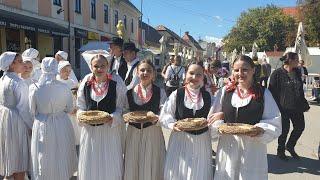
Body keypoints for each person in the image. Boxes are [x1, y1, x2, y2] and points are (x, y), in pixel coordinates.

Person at [208, 55, 281, 180]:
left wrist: (259, 129)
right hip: (228, 148)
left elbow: (275, 122)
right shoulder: (225, 91)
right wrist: (221, 118)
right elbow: (212, 120)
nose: (240, 73)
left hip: (252, 150)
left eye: (245, 69)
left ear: (253, 70)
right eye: (236, 70)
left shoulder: (263, 93)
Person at [160, 61, 213, 180]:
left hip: (201, 141)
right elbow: (165, 114)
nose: (194, 77)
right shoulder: (177, 94)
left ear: (203, 77)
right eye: (191, 73)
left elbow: (213, 117)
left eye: (198, 74)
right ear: (186, 74)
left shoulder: (208, 96)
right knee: (179, 172)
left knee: (198, 172)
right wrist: (173, 125)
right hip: (180, 139)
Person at [77, 54, 127, 180]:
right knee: (91, 162)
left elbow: (121, 108)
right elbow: (80, 105)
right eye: (96, 66)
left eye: (102, 66)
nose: (99, 69)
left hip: (109, 131)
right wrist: (81, 115)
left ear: (108, 66)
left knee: (109, 162)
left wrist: (113, 117)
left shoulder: (116, 84)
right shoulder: (86, 82)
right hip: (90, 132)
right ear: (91, 67)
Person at [29, 57, 77, 180]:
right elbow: (70, 108)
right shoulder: (64, 87)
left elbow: (32, 110)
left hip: (42, 123)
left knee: (44, 154)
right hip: (62, 122)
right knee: (62, 152)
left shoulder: (34, 87)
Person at [124, 60, 167, 180]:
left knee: (151, 160)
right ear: (137, 73)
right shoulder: (129, 92)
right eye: (142, 70)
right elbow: (124, 110)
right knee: (133, 161)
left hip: (152, 132)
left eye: (149, 70)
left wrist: (156, 117)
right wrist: (126, 116)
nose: (145, 72)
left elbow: (165, 111)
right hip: (133, 132)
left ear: (153, 74)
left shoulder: (160, 92)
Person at [269, 52, 309, 161]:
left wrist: (303, 102)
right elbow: (271, 92)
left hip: (296, 107)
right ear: (290, 60)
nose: (299, 61)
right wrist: (275, 108)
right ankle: (280, 151)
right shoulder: (277, 74)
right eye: (297, 59)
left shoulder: (297, 72)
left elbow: (299, 89)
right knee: (284, 130)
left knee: (300, 127)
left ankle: (290, 146)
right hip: (282, 108)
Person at [0, 52, 32, 180]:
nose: (23, 64)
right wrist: (31, 126)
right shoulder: (18, 82)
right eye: (20, 61)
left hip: (4, 119)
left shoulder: (2, 79)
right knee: (19, 158)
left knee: (9, 155)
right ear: (11, 65)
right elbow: (24, 108)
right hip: (16, 120)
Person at [57, 60, 80, 146]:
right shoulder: (57, 82)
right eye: (65, 71)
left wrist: (76, 107)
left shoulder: (72, 82)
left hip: (73, 109)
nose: (67, 73)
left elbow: (76, 96)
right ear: (60, 71)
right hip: (63, 110)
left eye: (69, 71)